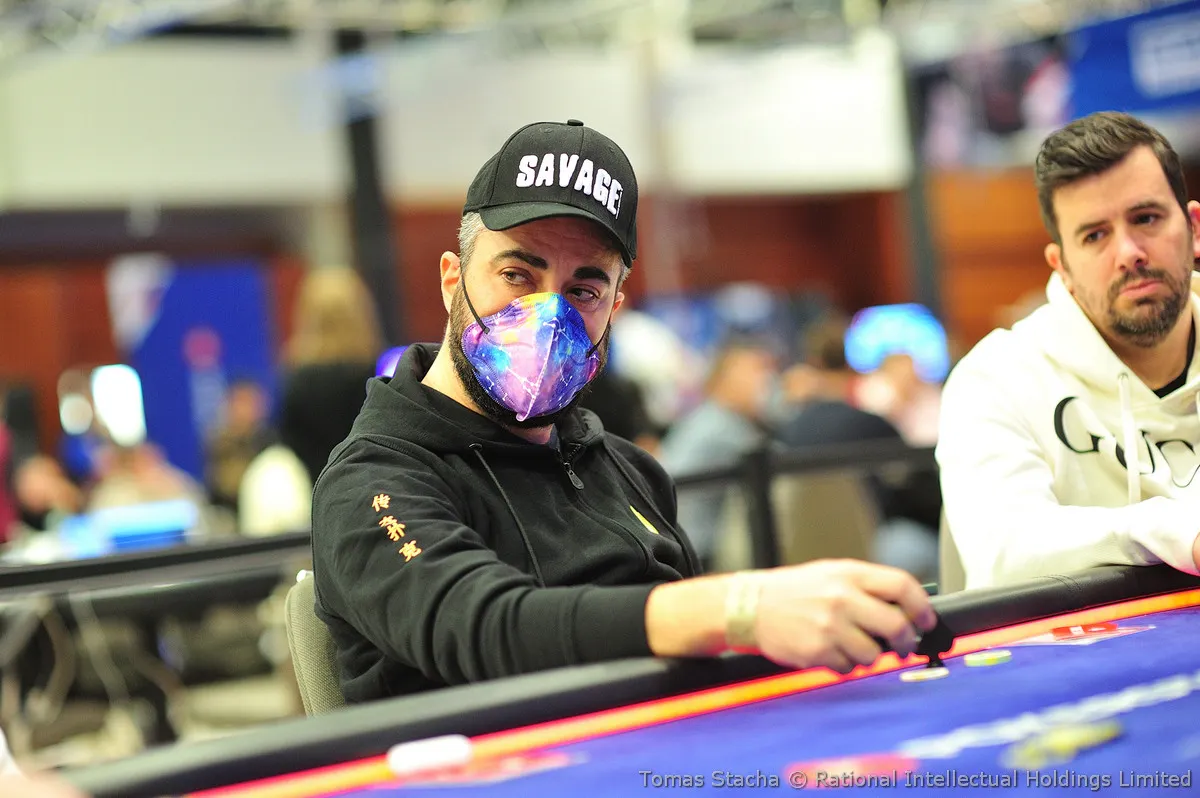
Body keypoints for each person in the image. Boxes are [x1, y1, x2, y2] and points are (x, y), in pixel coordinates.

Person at [311, 119, 935, 704]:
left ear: (614, 308)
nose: (549, 315)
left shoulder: (627, 470)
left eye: (583, 289)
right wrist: (740, 608)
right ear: (454, 280)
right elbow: (482, 625)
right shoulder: (372, 481)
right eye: (518, 275)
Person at [937, 111, 1200, 589]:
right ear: (1062, 266)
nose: (1129, 252)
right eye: (1094, 235)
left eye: (1145, 218)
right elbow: (1003, 556)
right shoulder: (996, 380)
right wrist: (1176, 531)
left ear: (1194, 228)